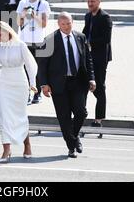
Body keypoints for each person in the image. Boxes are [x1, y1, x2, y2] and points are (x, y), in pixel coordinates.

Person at [38, 12, 96, 158]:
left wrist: (92, 78)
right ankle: (71, 147)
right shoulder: (50, 40)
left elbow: (88, 59)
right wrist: (44, 84)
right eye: (63, 24)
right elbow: (42, 64)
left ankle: (74, 137)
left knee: (81, 112)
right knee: (64, 117)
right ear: (58, 24)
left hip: (78, 82)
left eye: (68, 23)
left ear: (72, 22)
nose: (66, 27)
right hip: (58, 84)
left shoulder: (81, 37)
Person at [0, 21, 38, 163]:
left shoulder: (20, 45)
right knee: (4, 117)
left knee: (20, 116)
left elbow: (31, 65)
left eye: (0, 33)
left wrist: (33, 84)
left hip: (20, 82)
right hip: (4, 83)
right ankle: (6, 149)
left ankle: (27, 145)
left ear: (8, 32)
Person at [17, 0, 51, 104]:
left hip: (38, 41)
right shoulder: (22, 3)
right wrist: (23, 14)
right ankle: (27, 93)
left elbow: (43, 24)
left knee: (38, 68)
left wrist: (34, 14)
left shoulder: (43, 4)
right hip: (25, 40)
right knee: (26, 69)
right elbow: (18, 23)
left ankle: (37, 94)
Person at [82, 0, 112, 128]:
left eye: (92, 1)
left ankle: (99, 118)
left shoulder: (105, 18)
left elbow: (106, 39)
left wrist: (90, 42)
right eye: (88, 1)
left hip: (100, 58)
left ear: (99, 2)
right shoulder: (88, 16)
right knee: (83, 84)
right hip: (88, 57)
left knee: (99, 86)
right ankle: (81, 113)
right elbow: (85, 32)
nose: (90, 4)